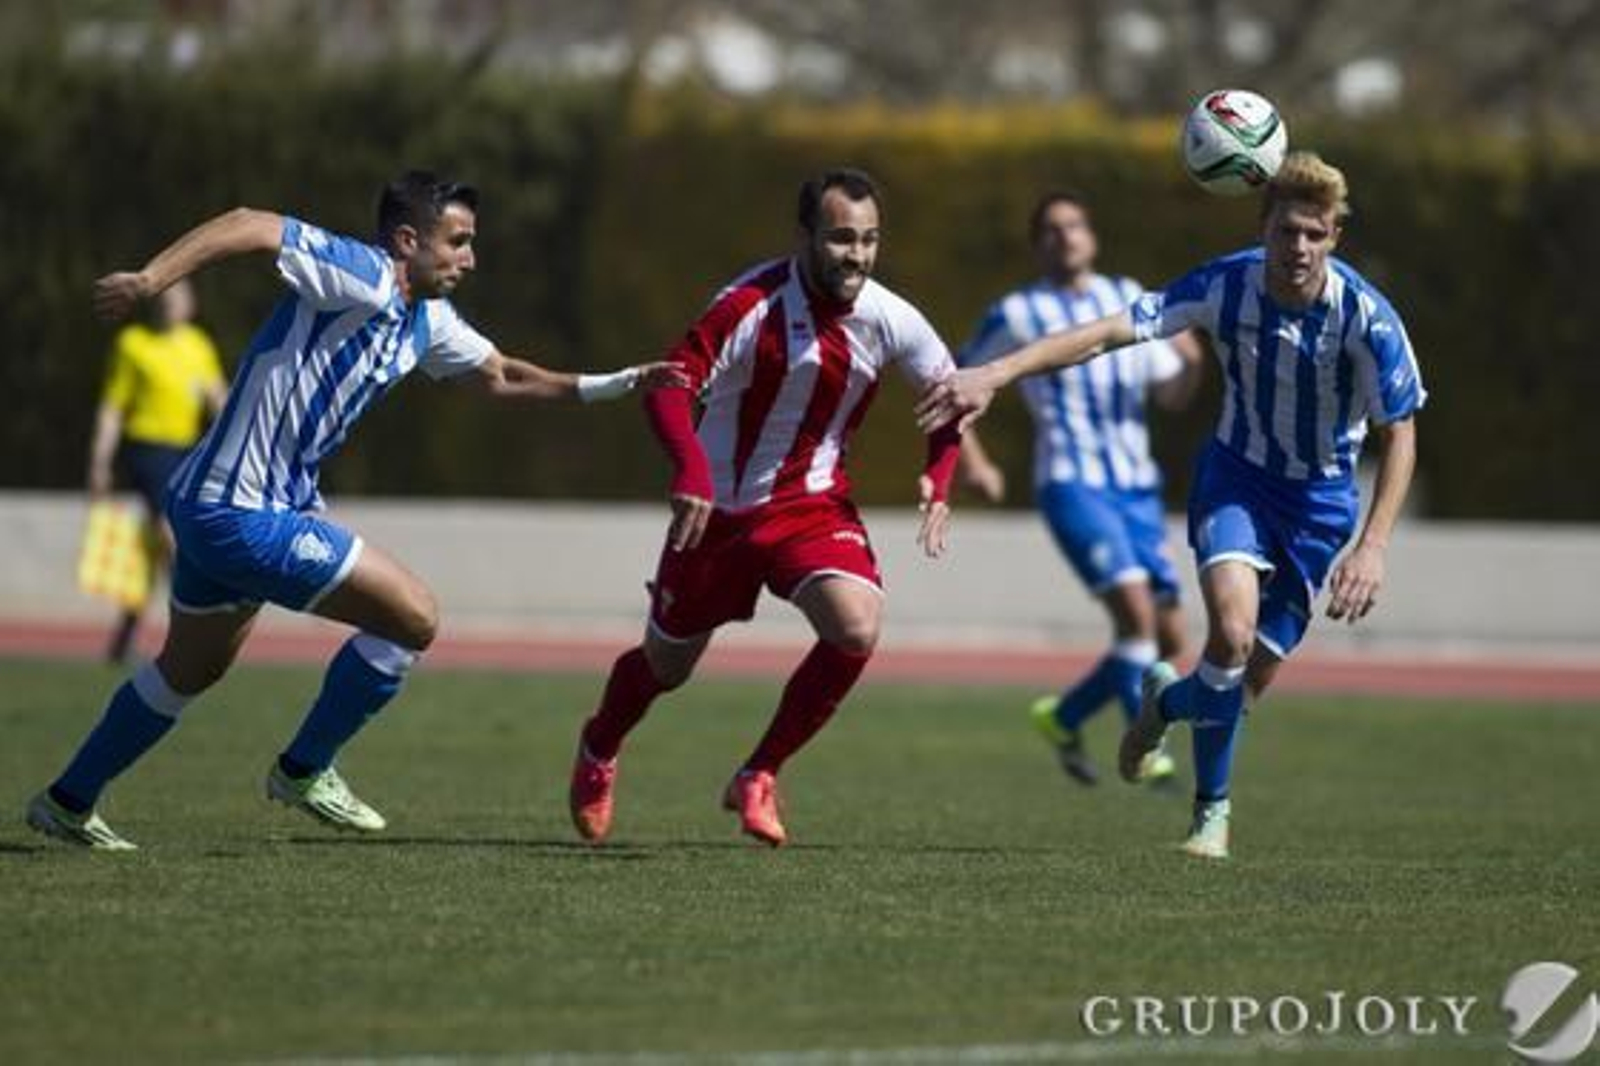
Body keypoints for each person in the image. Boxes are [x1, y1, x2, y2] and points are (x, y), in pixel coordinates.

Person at [27, 170, 681, 850]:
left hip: (210, 505)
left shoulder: (426, 321)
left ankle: (67, 801)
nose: (470, 257)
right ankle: (304, 768)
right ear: (406, 241)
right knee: (414, 616)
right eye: (457, 241)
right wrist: (150, 279)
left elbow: (504, 374)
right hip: (243, 513)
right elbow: (249, 221)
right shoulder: (362, 273)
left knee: (187, 672)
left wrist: (622, 383)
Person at [917, 153, 1425, 859]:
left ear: (1335, 235)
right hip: (1237, 481)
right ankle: (1210, 814)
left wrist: (1372, 545)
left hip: (1322, 508)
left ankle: (1163, 703)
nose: (1299, 248)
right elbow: (1105, 333)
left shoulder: (1367, 319)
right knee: (1232, 635)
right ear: (1263, 226)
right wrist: (996, 373)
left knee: (1242, 690)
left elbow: (1400, 431)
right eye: (1286, 231)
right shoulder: (1224, 284)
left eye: (1315, 233)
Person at [568, 168, 962, 847]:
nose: (858, 255)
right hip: (715, 515)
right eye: (841, 238)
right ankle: (600, 744)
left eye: (869, 240)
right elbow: (669, 385)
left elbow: (949, 395)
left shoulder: (891, 317)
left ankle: (759, 774)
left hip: (811, 508)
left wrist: (940, 475)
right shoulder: (750, 304)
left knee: (857, 627)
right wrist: (691, 469)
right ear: (805, 236)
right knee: (666, 667)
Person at [955, 192, 1203, 787]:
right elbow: (953, 381)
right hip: (1072, 485)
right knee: (1138, 617)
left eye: (1075, 224)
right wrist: (974, 461)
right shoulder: (1016, 313)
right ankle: (1146, 747)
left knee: (1171, 636)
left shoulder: (1127, 298)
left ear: (1092, 235)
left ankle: (1064, 717)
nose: (1065, 236)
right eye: (1051, 229)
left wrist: (1194, 364)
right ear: (1037, 246)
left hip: (1138, 490)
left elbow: (1171, 395)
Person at [88, 278, 228, 663]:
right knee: (171, 538)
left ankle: (128, 632)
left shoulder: (197, 345)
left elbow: (218, 398)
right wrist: (99, 461)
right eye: (164, 297)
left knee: (158, 550)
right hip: (147, 451)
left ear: (191, 304)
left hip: (187, 453)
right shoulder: (133, 344)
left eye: (178, 297)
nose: (170, 304)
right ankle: (192, 627)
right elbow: (113, 408)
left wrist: (236, 442)